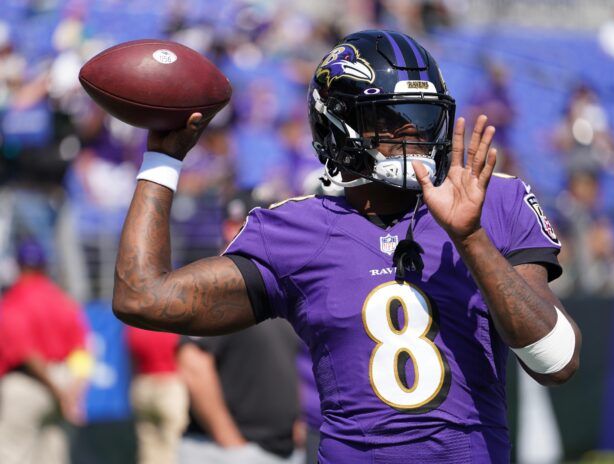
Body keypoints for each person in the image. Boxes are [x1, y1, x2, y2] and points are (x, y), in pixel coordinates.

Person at [113, 30, 581, 463]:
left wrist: (471, 238)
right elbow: (142, 296)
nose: (411, 135)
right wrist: (162, 159)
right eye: (389, 120)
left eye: (421, 119)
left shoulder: (496, 201)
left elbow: (557, 362)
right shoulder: (295, 231)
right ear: (335, 126)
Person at [0, 239, 90, 464]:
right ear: (45, 266)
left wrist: (59, 391)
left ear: (18, 266)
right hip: (63, 381)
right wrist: (73, 391)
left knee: (12, 453)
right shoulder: (62, 300)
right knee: (53, 457)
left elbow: (26, 354)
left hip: (30, 383)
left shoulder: (14, 300)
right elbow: (82, 352)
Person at [177, 319, 301, 464]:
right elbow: (194, 363)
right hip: (224, 451)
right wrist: (231, 443)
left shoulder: (282, 307)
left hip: (283, 451)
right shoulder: (225, 300)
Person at [126, 326, 189, 464]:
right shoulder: (172, 326)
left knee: (148, 444)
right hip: (169, 384)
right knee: (174, 444)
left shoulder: (135, 326)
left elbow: (133, 359)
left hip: (143, 384)